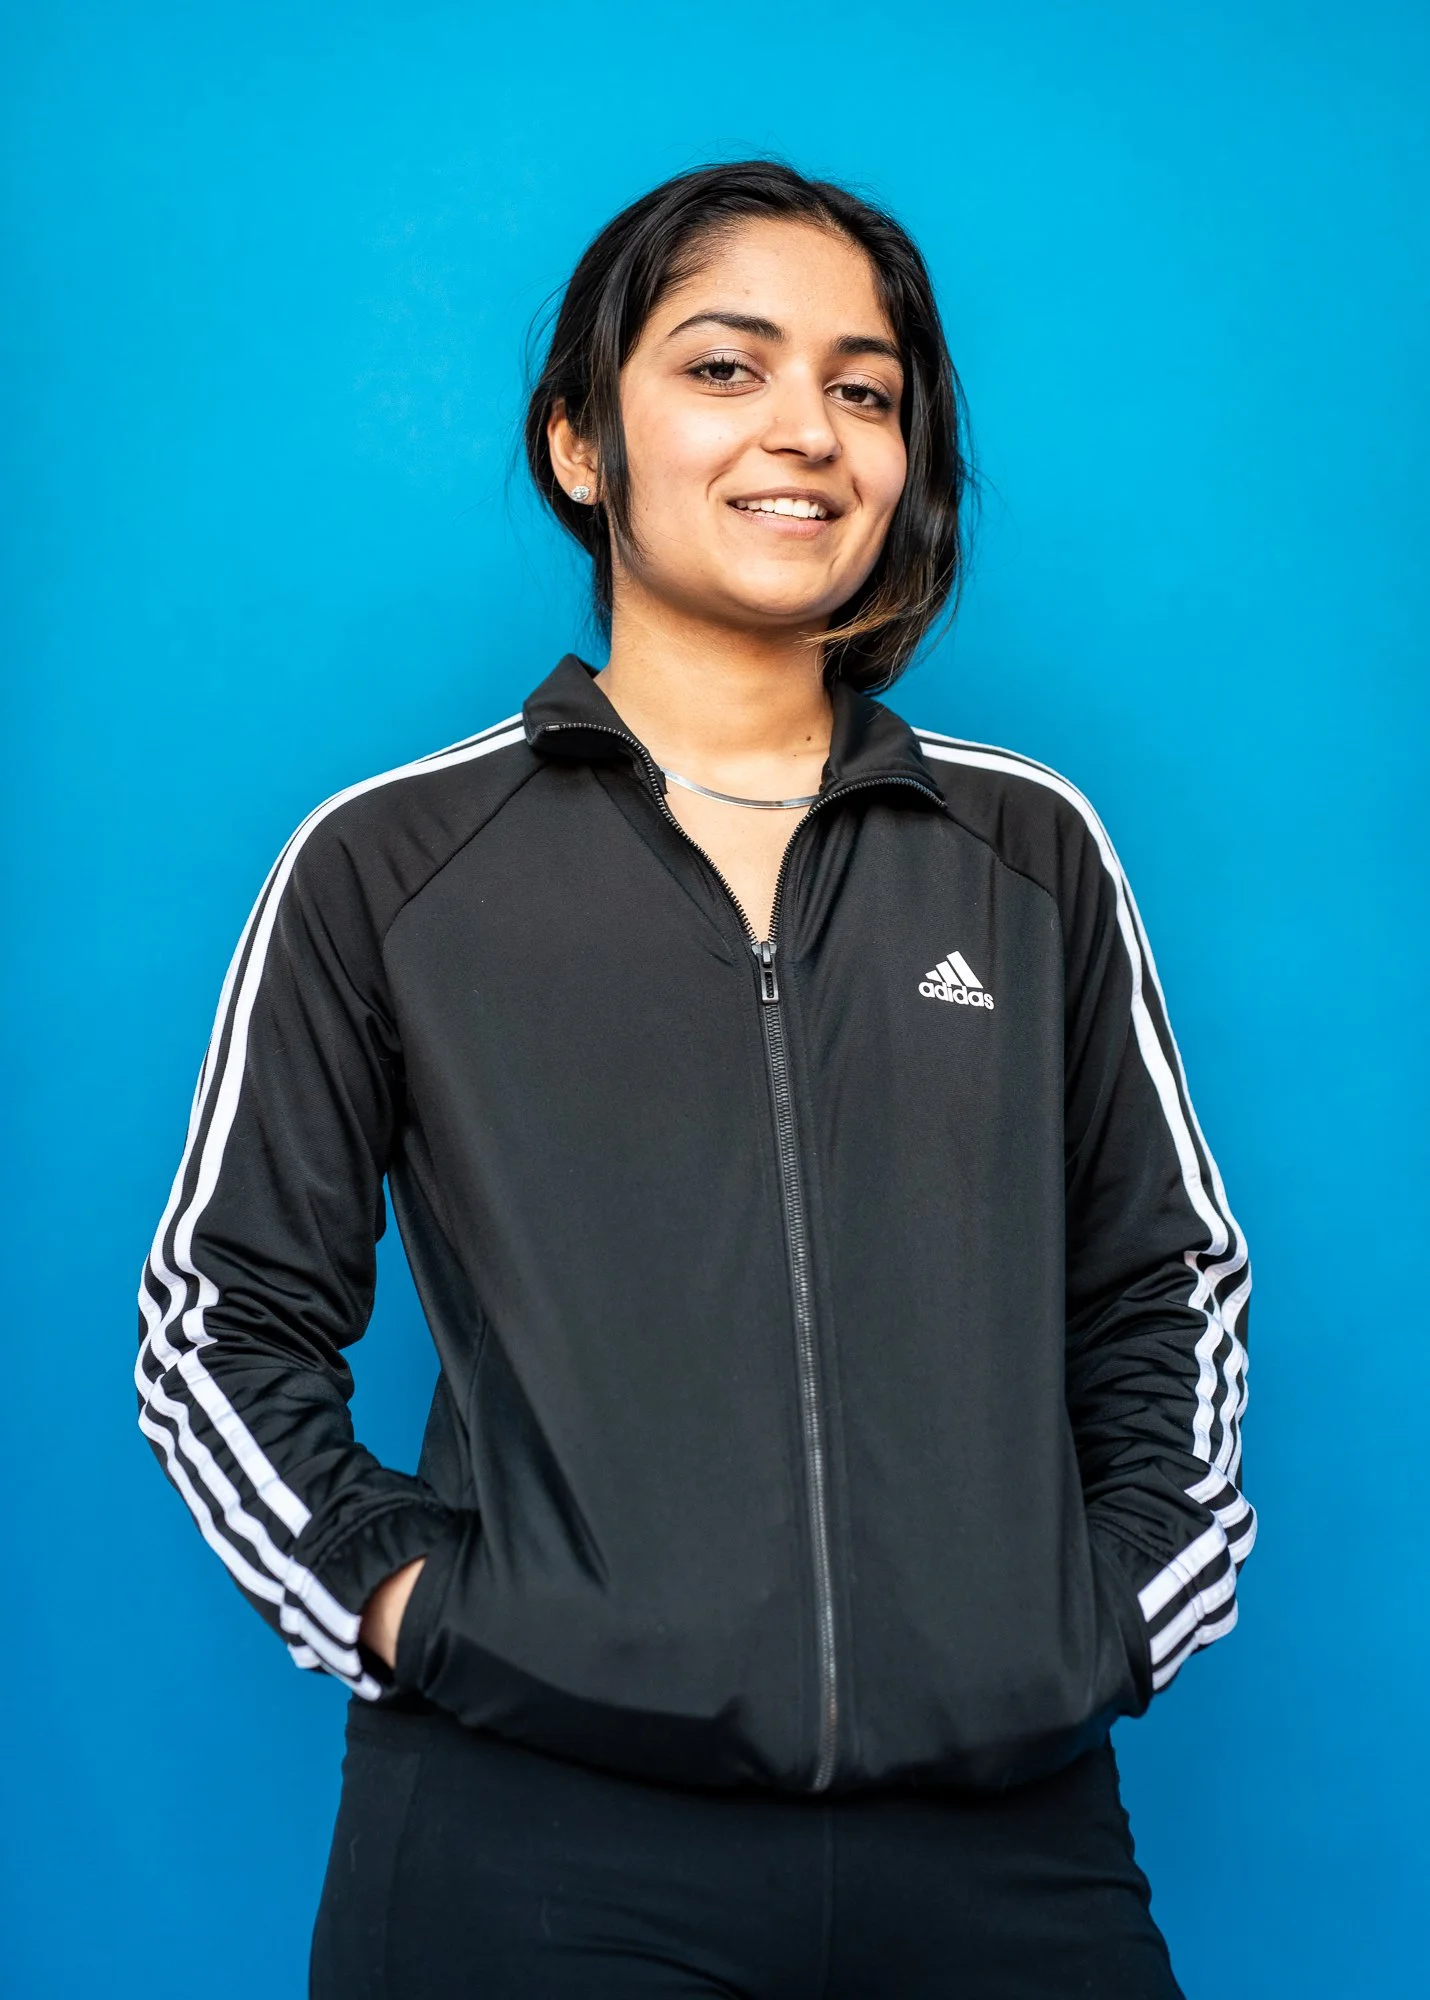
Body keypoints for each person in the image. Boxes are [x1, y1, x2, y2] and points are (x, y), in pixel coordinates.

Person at [137, 161, 1253, 1998]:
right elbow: (219, 1316)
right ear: (578, 442)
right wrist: (411, 1605)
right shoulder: (392, 864)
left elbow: (1162, 1278)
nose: (805, 430)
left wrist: (1109, 1613)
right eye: (724, 367)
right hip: (533, 1845)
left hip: (1002, 1849)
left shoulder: (1024, 852)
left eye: (863, 388)